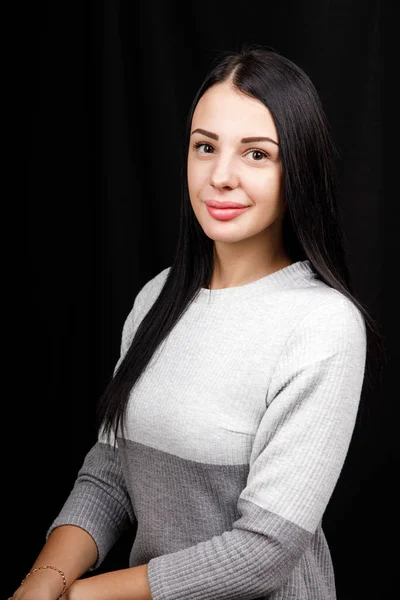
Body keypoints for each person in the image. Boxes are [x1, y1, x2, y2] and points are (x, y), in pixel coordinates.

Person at [10, 43, 382, 600]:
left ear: (298, 167)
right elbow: (111, 472)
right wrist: (42, 582)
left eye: (257, 154)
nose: (221, 176)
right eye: (205, 147)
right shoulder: (156, 298)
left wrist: (82, 596)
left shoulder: (322, 324)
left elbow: (264, 552)